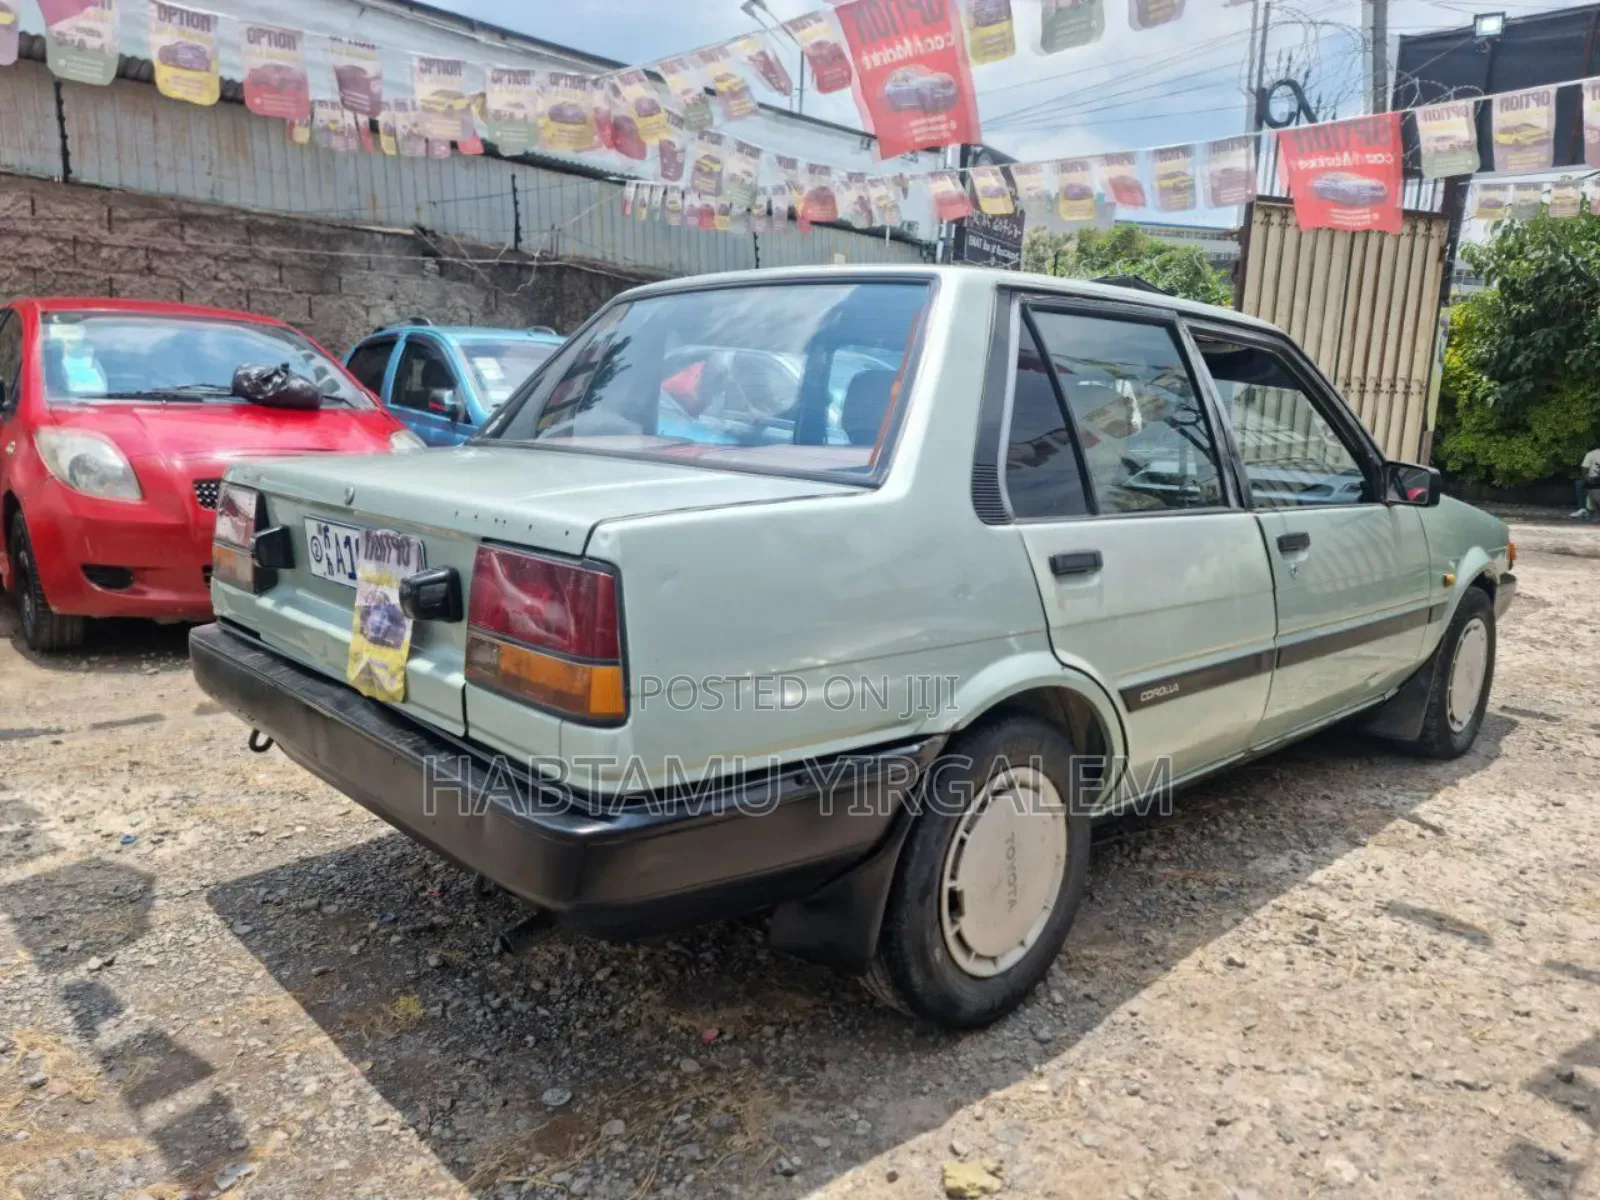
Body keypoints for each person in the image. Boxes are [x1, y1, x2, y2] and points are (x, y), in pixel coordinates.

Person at [1574, 445, 1600, 521]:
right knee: (1579, 483)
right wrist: (1587, 477)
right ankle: (1582, 509)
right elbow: (1584, 469)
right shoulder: (1592, 454)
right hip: (1595, 478)